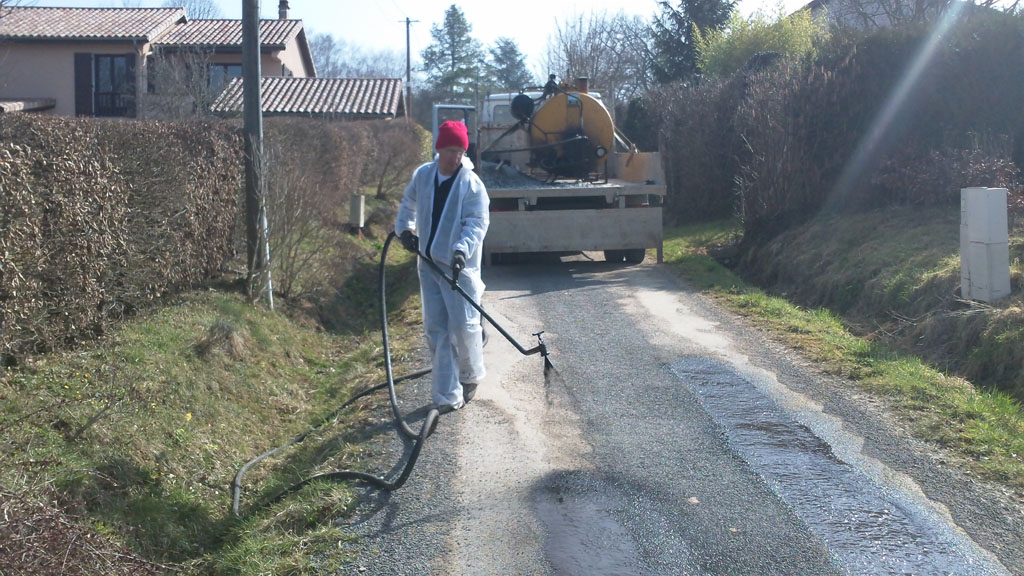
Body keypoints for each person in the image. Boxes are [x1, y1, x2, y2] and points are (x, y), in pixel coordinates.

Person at [394, 120, 490, 414]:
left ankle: (470, 376)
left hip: (457, 269)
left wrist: (462, 250)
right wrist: (405, 231)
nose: (455, 157)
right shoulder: (424, 176)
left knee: (463, 327)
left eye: (460, 151)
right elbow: (408, 203)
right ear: (439, 149)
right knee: (437, 329)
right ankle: (447, 394)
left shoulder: (471, 185)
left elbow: (476, 223)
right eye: (450, 150)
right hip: (428, 264)